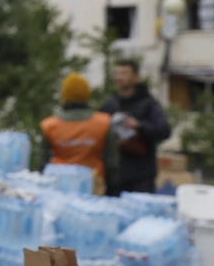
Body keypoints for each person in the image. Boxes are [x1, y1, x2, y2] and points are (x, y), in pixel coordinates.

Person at [99, 59, 172, 195]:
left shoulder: (149, 104)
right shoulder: (109, 105)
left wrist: (139, 125)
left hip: (141, 175)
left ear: (136, 77)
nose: (119, 77)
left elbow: (164, 130)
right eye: (117, 73)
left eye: (124, 73)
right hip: (114, 175)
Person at [40, 73, 119, 195]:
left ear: (64, 96)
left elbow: (42, 164)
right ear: (87, 96)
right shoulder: (103, 122)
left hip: (60, 188)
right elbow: (112, 163)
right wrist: (113, 188)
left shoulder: (49, 125)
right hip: (93, 187)